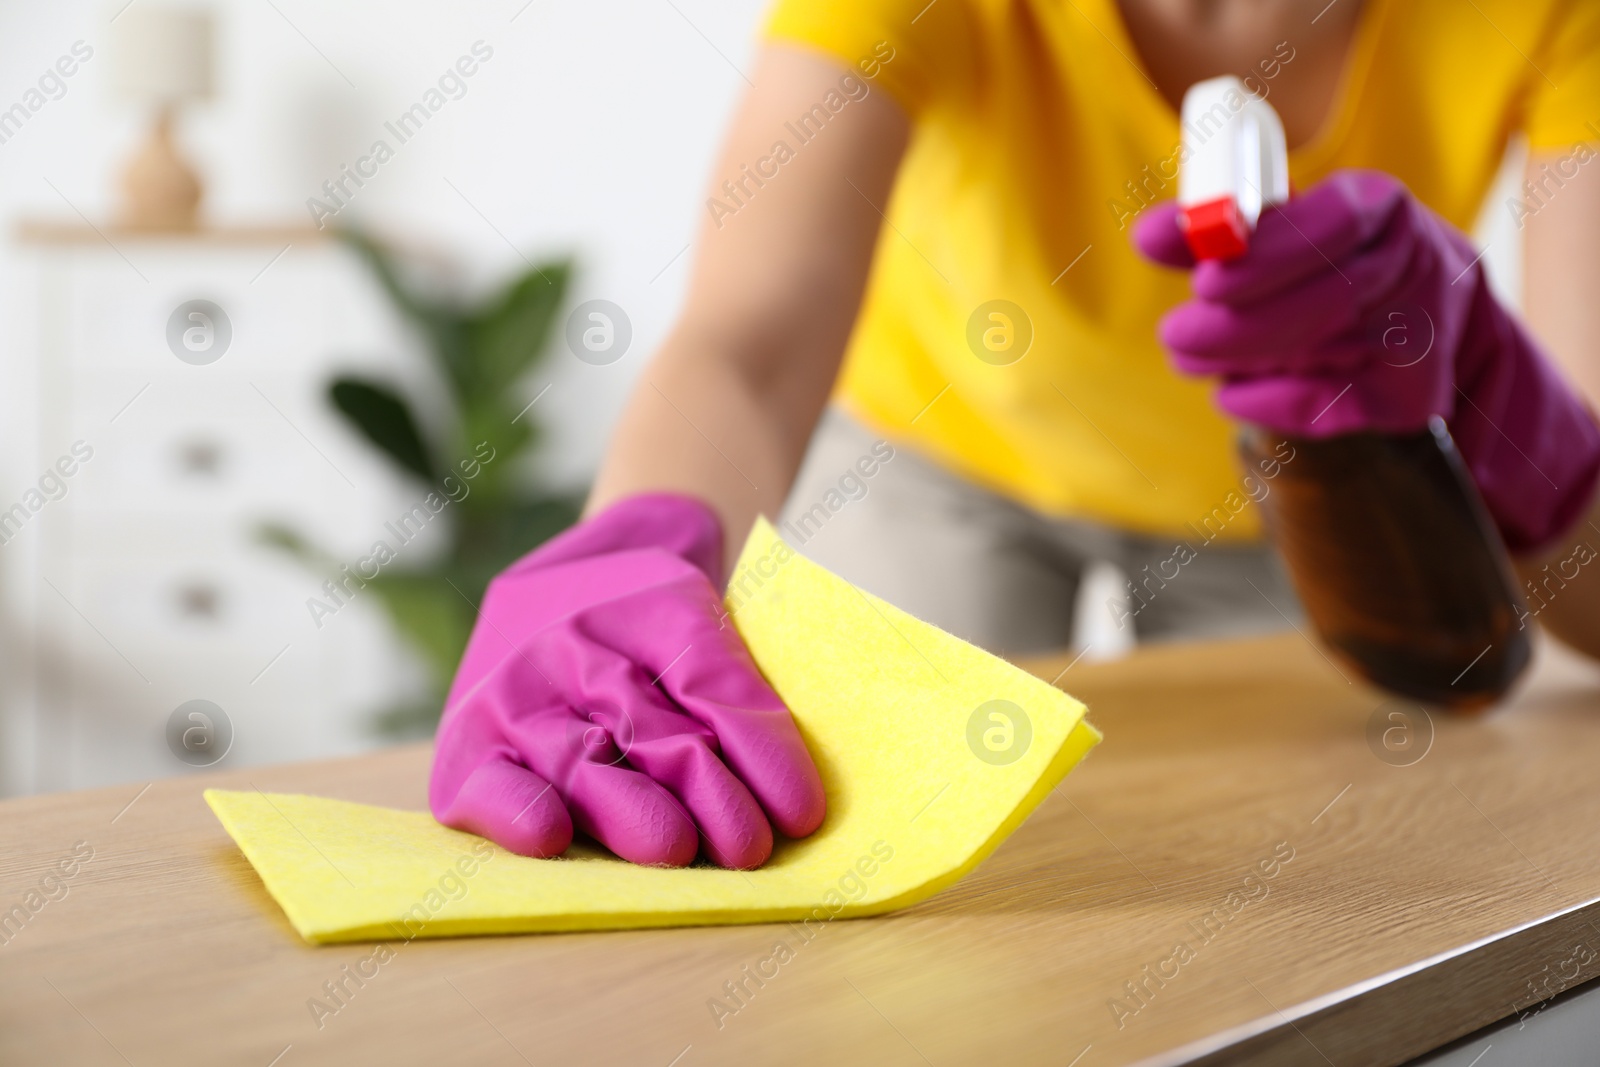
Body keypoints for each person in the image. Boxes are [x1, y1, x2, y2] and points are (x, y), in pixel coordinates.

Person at [429, 0, 1600, 869]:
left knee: (1340, 859)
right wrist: (637, 539)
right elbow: (749, 334)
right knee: (865, 842)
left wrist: (1508, 400)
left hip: (1275, 504)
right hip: (938, 464)